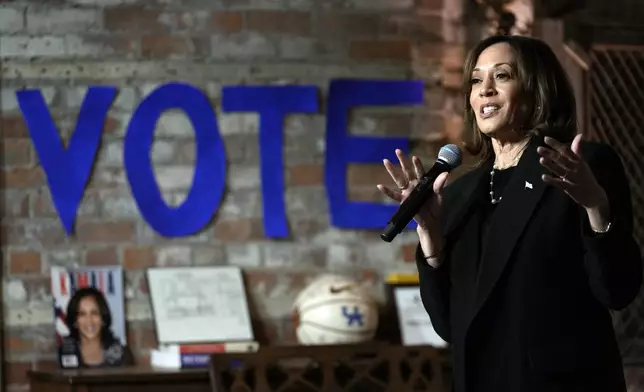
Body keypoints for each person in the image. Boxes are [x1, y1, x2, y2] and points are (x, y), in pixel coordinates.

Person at [377, 34, 642, 392]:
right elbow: (447, 326)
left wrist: (596, 205)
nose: (484, 89)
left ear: (537, 90)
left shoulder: (579, 166)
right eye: (476, 79)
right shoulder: (457, 194)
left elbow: (618, 291)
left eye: (502, 76)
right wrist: (432, 242)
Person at [59, 287, 134, 368]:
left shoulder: (122, 354)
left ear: (103, 318)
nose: (89, 321)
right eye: (82, 314)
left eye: (94, 313)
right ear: (75, 321)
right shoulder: (62, 354)